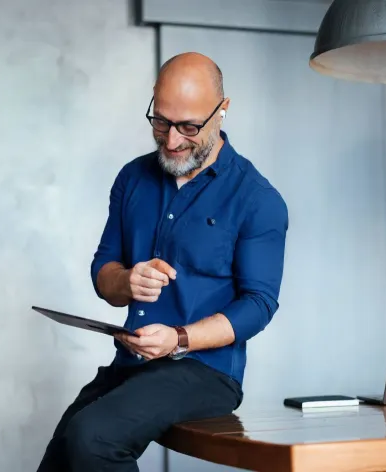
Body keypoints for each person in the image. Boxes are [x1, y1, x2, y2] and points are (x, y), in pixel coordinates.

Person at [36, 52, 289, 472]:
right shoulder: (132, 179)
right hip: (131, 364)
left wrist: (179, 338)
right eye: (160, 122)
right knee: (60, 458)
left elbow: (259, 305)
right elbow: (104, 272)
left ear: (221, 111)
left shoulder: (258, 199)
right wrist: (127, 281)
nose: (171, 141)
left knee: (93, 438)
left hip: (205, 372)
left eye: (189, 127)